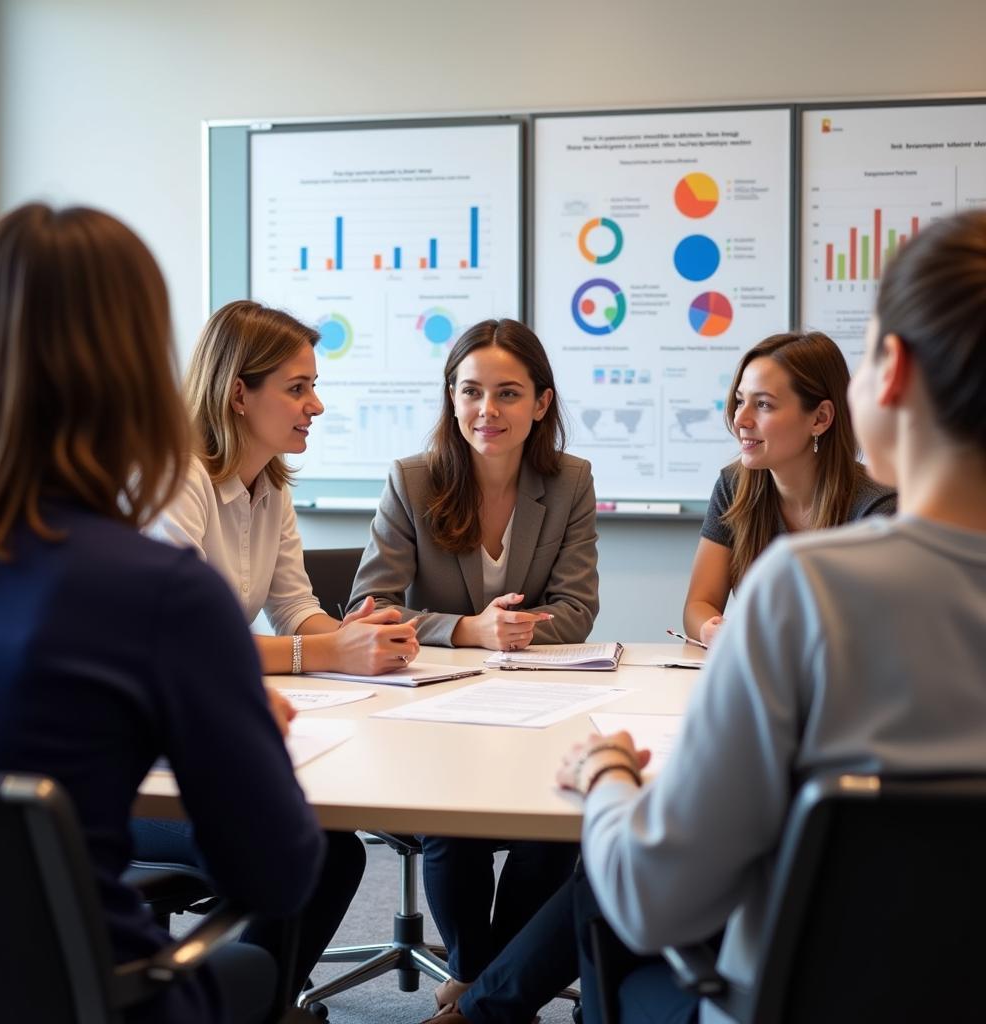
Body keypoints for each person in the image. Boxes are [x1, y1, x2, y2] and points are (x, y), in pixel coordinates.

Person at [554, 209, 986, 1023]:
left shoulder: (809, 590)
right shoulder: (776, 537)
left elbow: (655, 899)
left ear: (889, 371)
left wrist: (606, 772)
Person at [0, 203, 324, 1024]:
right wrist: (243, 715)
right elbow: (275, 873)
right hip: (87, 991)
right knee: (247, 976)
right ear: (134, 362)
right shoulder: (155, 591)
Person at [141, 299, 425, 999]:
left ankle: (257, 1001)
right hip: (148, 776)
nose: (316, 405)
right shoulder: (177, 481)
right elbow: (181, 646)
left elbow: (295, 611)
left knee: (329, 850)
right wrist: (327, 656)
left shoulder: (267, 485)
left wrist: (365, 639)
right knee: (321, 851)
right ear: (239, 393)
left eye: (313, 385)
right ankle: (241, 1003)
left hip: (207, 737)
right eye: (297, 387)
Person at [348, 318, 598, 1009]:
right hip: (431, 713)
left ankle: (484, 990)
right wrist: (468, 629)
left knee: (554, 824)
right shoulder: (414, 480)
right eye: (471, 392)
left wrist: (514, 631)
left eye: (509, 394)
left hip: (531, 709)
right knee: (452, 820)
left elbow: (577, 610)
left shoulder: (569, 481)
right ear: (451, 398)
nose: (487, 411)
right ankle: (480, 980)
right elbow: (368, 609)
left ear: (541, 404)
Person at [683, 330, 895, 647]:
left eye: (764, 405)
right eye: (741, 401)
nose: (740, 418)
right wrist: (710, 630)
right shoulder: (733, 485)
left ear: (820, 418)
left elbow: (873, 634)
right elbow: (699, 604)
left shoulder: (877, 506)